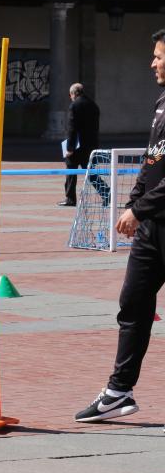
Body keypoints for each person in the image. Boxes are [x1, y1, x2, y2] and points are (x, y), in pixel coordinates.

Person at [74, 28, 165, 423]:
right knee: (133, 304)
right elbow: (152, 160)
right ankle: (118, 391)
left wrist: (140, 208)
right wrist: (133, 203)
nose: (152, 62)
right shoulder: (162, 103)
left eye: (159, 56)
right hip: (152, 228)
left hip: (156, 217)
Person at [59, 82, 107, 207]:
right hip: (91, 145)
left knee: (71, 170)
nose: (70, 97)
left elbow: (72, 129)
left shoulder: (74, 105)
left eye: (70, 95)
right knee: (91, 173)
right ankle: (107, 194)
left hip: (77, 146)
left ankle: (70, 198)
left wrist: (70, 148)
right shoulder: (93, 105)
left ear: (73, 94)